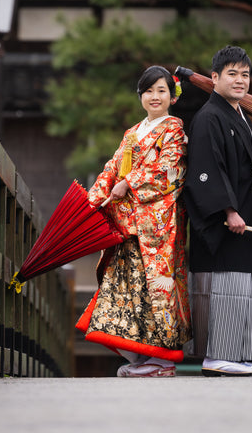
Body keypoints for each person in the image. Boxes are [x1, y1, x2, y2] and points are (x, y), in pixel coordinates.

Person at [183, 45, 252, 377]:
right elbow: (206, 172)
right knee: (224, 287)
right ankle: (217, 354)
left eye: (245, 74)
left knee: (241, 290)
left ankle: (232, 353)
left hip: (243, 221)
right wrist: (229, 210)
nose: (240, 80)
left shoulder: (238, 116)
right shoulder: (208, 117)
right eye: (232, 74)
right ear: (215, 77)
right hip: (225, 225)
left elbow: (247, 164)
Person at [76, 65, 191, 377]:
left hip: (156, 226)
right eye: (148, 90)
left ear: (172, 96)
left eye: (161, 90)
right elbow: (113, 167)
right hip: (128, 225)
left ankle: (164, 360)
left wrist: (130, 183)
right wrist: (92, 200)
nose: (154, 96)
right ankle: (141, 359)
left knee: (155, 287)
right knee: (127, 288)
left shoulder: (174, 132)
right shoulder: (132, 133)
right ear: (141, 95)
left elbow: (170, 173)